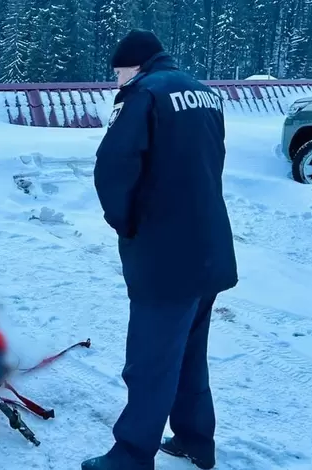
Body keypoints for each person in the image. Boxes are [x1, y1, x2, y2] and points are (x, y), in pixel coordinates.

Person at [82, 30, 238, 470]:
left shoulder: (142, 94)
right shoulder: (205, 94)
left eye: (118, 73)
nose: (116, 81)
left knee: (150, 361)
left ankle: (131, 455)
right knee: (189, 354)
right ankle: (194, 440)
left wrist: (126, 223)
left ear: (134, 65)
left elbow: (113, 167)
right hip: (208, 245)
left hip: (164, 253)